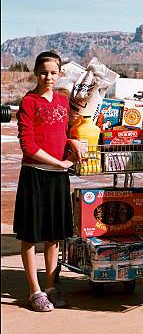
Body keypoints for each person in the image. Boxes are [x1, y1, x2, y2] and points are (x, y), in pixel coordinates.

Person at [13, 51, 86, 312]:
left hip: (58, 178)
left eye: (54, 73)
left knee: (54, 235)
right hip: (35, 174)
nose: (49, 77)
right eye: (44, 72)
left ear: (60, 74)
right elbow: (28, 145)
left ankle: (51, 286)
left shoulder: (63, 102)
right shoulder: (29, 102)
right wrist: (58, 163)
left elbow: (61, 132)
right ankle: (35, 291)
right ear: (36, 72)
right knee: (31, 235)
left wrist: (72, 141)